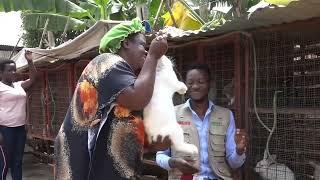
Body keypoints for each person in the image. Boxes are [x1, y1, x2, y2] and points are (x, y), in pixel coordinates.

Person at [54, 18, 171, 180]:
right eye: (142, 45)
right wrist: (153, 55)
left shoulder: (123, 77)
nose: (145, 51)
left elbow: (123, 122)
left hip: (104, 162)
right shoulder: (105, 62)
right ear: (126, 43)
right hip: (83, 162)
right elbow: (138, 98)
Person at [156, 64, 249, 180]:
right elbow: (160, 156)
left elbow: (234, 163)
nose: (195, 86)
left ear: (209, 84)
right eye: (190, 82)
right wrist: (173, 162)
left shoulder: (226, 115)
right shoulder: (172, 114)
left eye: (200, 82)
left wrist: (239, 151)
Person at [0, 51, 37, 180]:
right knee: (4, 163)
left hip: (20, 129)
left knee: (17, 161)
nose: (13, 73)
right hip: (5, 130)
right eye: (9, 71)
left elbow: (33, 79)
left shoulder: (18, 85)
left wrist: (30, 61)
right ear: (1, 73)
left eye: (14, 70)